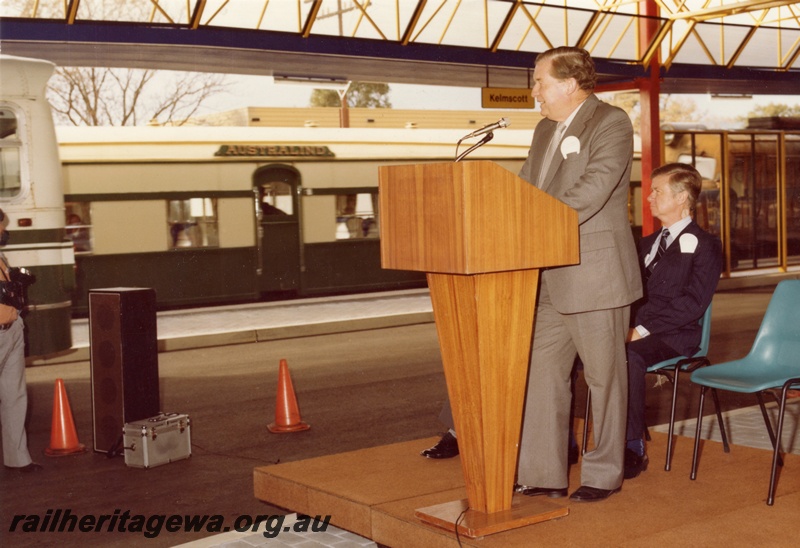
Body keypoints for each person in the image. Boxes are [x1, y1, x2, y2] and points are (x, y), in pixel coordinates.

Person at [515, 46, 641, 502]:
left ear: (569, 84)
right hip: (550, 274)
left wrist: (533, 219)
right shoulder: (544, 130)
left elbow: (592, 190)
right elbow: (525, 187)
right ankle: (543, 471)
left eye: (539, 82)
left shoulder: (611, 122)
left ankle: (603, 473)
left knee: (605, 379)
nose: (534, 92)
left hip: (595, 275)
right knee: (540, 372)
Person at [624, 163, 722, 479]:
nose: (649, 197)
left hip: (675, 334)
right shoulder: (645, 243)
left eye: (657, 191)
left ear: (682, 198)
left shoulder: (705, 245)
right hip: (635, 330)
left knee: (628, 358)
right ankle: (566, 444)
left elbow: (693, 304)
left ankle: (631, 446)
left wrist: (640, 329)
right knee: (570, 353)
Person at [0, 208, 41, 473]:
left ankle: (18, 459)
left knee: (15, 394)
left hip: (12, 328)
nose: (3, 232)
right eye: (1, 227)